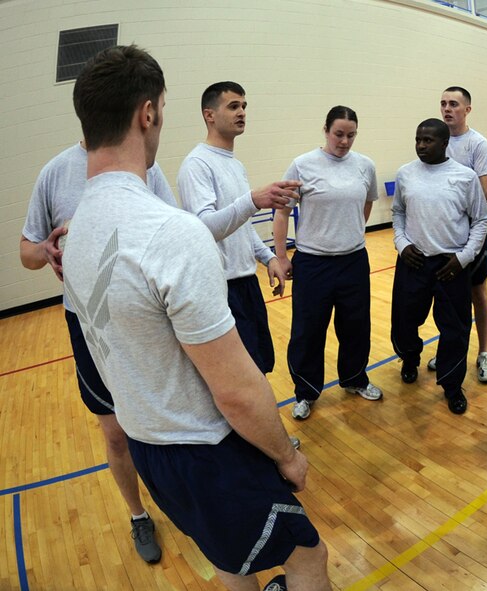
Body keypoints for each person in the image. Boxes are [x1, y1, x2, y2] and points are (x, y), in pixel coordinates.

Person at [62, 45, 330, 591]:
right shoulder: (168, 232)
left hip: (148, 445)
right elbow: (233, 389)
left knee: (232, 560)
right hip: (204, 450)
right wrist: (286, 454)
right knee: (308, 557)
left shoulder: (77, 228)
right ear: (148, 114)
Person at [19, 141, 172, 564]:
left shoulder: (145, 166)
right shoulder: (55, 171)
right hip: (87, 323)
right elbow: (27, 250)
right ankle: (138, 515)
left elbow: (171, 225)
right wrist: (44, 251)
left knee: (158, 417)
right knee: (115, 432)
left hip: (141, 315)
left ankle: (180, 499)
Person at [178, 81, 298, 375]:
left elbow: (240, 226)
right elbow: (205, 228)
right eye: (233, 106)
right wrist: (253, 200)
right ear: (209, 115)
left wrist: (268, 257)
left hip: (246, 285)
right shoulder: (197, 165)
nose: (242, 112)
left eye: (244, 106)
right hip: (221, 290)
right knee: (239, 377)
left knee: (260, 368)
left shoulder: (235, 165)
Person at [272, 106, 382, 421]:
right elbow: (281, 213)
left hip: (353, 262)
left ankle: (355, 379)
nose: (344, 141)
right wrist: (281, 256)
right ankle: (305, 392)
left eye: (351, 135)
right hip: (312, 263)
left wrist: (351, 234)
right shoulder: (302, 165)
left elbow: (367, 203)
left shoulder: (365, 166)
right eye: (339, 134)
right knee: (308, 332)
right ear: (325, 130)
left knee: (356, 327)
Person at [390, 118, 487, 415]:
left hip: (452, 265)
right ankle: (410, 357)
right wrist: (402, 244)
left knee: (455, 330)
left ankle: (452, 384)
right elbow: (398, 214)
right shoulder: (406, 174)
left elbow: (481, 220)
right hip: (413, 260)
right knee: (404, 322)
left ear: (445, 143)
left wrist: (464, 257)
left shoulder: (465, 177)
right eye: (418, 139)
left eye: (428, 140)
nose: (421, 145)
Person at [427, 86, 487, 384]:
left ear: (467, 109)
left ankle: (483, 353)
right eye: (443, 103)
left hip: (472, 236)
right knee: (445, 296)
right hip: (439, 237)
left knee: (477, 293)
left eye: (453, 104)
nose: (447, 108)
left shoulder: (477, 144)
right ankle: (451, 350)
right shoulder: (434, 141)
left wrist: (449, 204)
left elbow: (486, 192)